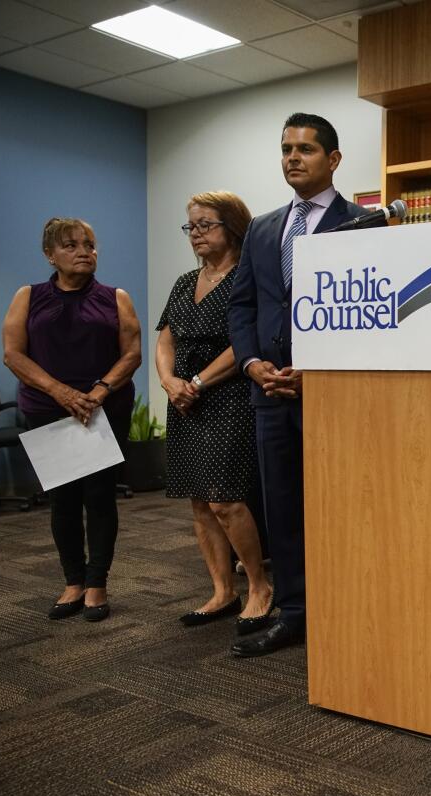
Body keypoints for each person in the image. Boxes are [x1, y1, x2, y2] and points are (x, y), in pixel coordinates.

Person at [227, 113, 367, 657]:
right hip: (268, 392)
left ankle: (345, 604)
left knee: (338, 503)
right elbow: (244, 307)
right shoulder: (263, 228)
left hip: (332, 395)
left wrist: (321, 369)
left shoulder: (364, 223)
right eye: (286, 148)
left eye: (306, 149)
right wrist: (250, 363)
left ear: (332, 160)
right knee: (281, 504)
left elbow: (373, 315)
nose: (292, 157)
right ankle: (295, 611)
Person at [1, 217, 142, 623]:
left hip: (104, 409)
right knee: (63, 500)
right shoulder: (28, 297)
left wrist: (98, 392)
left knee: (99, 497)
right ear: (50, 254)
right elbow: (14, 354)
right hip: (49, 409)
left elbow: (131, 353)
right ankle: (73, 582)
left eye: (90, 244)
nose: (84, 252)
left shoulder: (116, 297)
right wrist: (60, 392)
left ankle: (97, 583)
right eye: (72, 245)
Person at [156, 191, 273, 634]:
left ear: (233, 226)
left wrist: (198, 383)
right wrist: (169, 383)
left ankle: (260, 586)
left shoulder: (250, 276)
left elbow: (245, 340)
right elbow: (166, 338)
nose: (197, 235)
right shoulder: (186, 282)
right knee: (200, 502)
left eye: (206, 225)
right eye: (191, 227)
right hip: (183, 400)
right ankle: (223, 591)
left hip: (227, 397)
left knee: (226, 498)